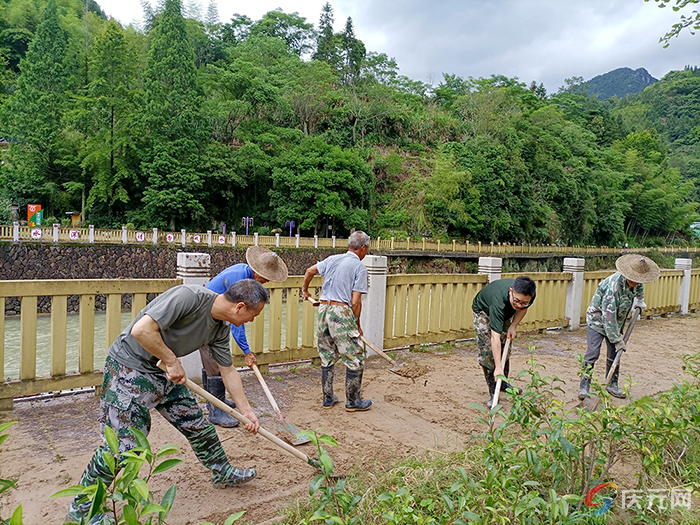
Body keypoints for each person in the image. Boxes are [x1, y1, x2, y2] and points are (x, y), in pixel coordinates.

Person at [67, 279, 268, 523]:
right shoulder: (188, 297)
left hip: (164, 373)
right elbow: (141, 330)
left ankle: (221, 471)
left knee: (197, 425)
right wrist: (172, 361)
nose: (252, 320)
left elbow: (228, 371)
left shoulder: (220, 329)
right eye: (253, 315)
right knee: (123, 447)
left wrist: (246, 411)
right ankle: (82, 509)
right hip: (129, 369)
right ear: (239, 307)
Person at [200, 246, 288, 427]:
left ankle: (216, 401)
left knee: (214, 362)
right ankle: (215, 411)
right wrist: (247, 352)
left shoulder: (244, 274)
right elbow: (237, 323)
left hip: (216, 318)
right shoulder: (240, 281)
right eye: (265, 278)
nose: (265, 282)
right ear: (256, 271)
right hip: (204, 318)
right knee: (214, 363)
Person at [302, 231, 371, 412]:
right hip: (341, 311)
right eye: (367, 249)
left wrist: (305, 290)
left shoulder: (332, 259)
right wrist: (357, 325)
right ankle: (353, 401)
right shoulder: (359, 267)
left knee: (327, 354)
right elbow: (355, 302)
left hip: (324, 309)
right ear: (363, 247)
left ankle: (328, 398)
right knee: (354, 355)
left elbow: (309, 271)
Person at [579, 254, 659, 400]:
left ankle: (612, 384)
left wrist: (639, 303)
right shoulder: (613, 287)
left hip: (617, 321)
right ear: (627, 273)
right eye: (634, 280)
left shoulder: (637, 282)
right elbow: (608, 318)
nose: (637, 283)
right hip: (597, 320)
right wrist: (617, 340)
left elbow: (639, 295)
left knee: (615, 353)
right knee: (593, 352)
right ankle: (584, 385)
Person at [472, 276, 537, 408]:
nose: (519, 305)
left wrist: (513, 325)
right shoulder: (497, 302)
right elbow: (494, 337)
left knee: (505, 345)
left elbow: (523, 309)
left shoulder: (527, 297)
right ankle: (493, 392)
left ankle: (503, 383)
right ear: (510, 291)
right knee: (488, 351)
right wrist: (498, 367)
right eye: (517, 301)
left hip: (505, 312)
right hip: (483, 311)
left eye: (523, 302)